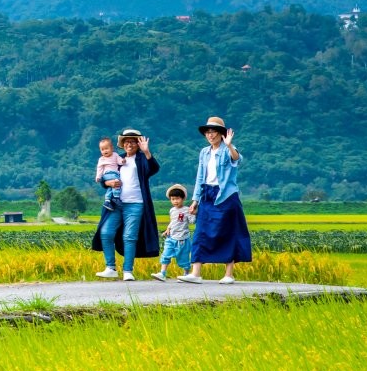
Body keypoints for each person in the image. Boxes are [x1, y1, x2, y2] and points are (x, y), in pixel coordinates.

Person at [177, 116, 251, 284]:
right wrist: (195, 199)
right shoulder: (204, 152)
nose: (210, 135)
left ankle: (228, 274)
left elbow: (237, 159)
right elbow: (200, 177)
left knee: (228, 232)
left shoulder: (227, 149)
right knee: (201, 231)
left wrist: (230, 144)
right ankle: (196, 273)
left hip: (225, 195)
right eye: (208, 132)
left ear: (221, 134)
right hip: (207, 194)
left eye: (214, 132)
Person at [90, 129, 160, 281]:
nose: (130, 143)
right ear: (122, 144)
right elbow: (104, 178)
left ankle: (128, 270)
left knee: (130, 236)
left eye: (133, 141)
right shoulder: (117, 159)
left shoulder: (142, 159)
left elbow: (154, 169)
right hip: (116, 203)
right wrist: (109, 182)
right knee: (106, 232)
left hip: (136, 204)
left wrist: (147, 152)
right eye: (127, 141)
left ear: (138, 144)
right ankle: (110, 267)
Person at [151, 184, 194, 281]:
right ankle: (162, 273)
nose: (175, 201)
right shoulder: (172, 210)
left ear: (183, 198)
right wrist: (168, 229)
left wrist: (193, 213)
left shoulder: (186, 210)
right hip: (171, 238)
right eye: (173, 199)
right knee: (166, 255)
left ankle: (186, 274)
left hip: (182, 238)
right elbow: (173, 221)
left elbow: (192, 221)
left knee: (183, 259)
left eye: (177, 199)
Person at [94, 136, 125, 211]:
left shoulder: (115, 155)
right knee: (117, 181)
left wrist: (122, 161)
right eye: (102, 149)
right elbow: (99, 168)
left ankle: (107, 200)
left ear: (112, 148)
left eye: (106, 148)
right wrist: (98, 177)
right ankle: (116, 197)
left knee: (111, 187)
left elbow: (119, 160)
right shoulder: (101, 159)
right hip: (108, 174)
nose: (105, 151)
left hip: (113, 174)